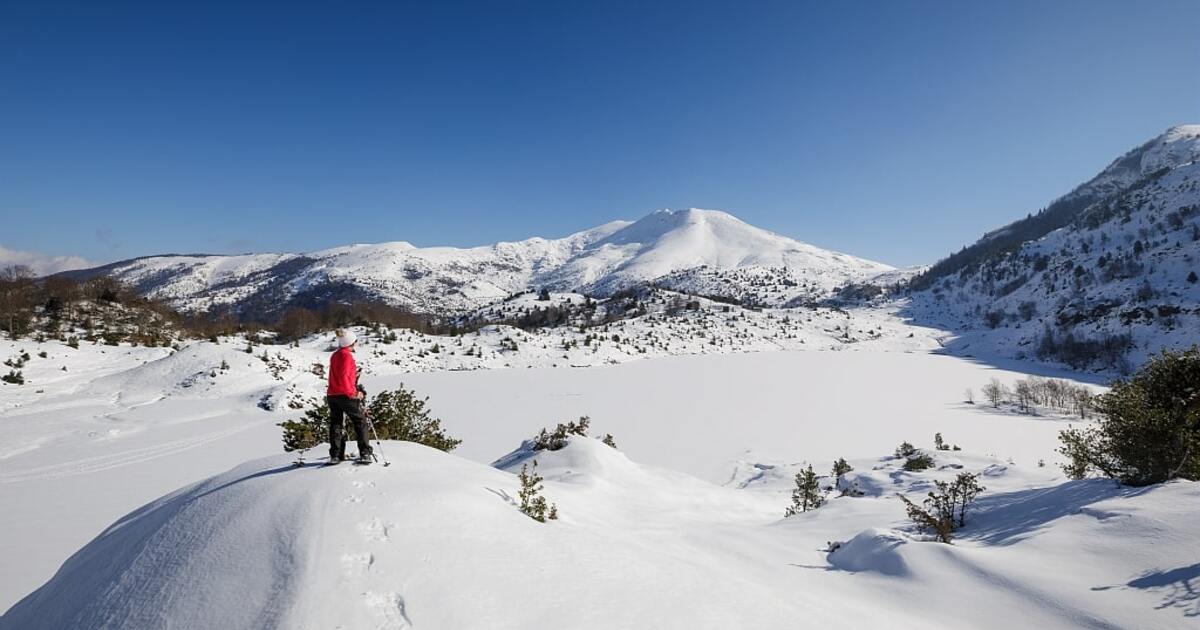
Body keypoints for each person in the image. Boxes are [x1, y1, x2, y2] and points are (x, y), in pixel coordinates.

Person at [327, 329, 373, 464]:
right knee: (360, 421)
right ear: (351, 343)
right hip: (346, 395)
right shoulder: (347, 356)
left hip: (332, 394)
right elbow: (345, 377)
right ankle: (365, 453)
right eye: (355, 342)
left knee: (336, 424)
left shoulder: (335, 355)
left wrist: (354, 375)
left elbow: (340, 375)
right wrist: (355, 393)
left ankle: (336, 455)